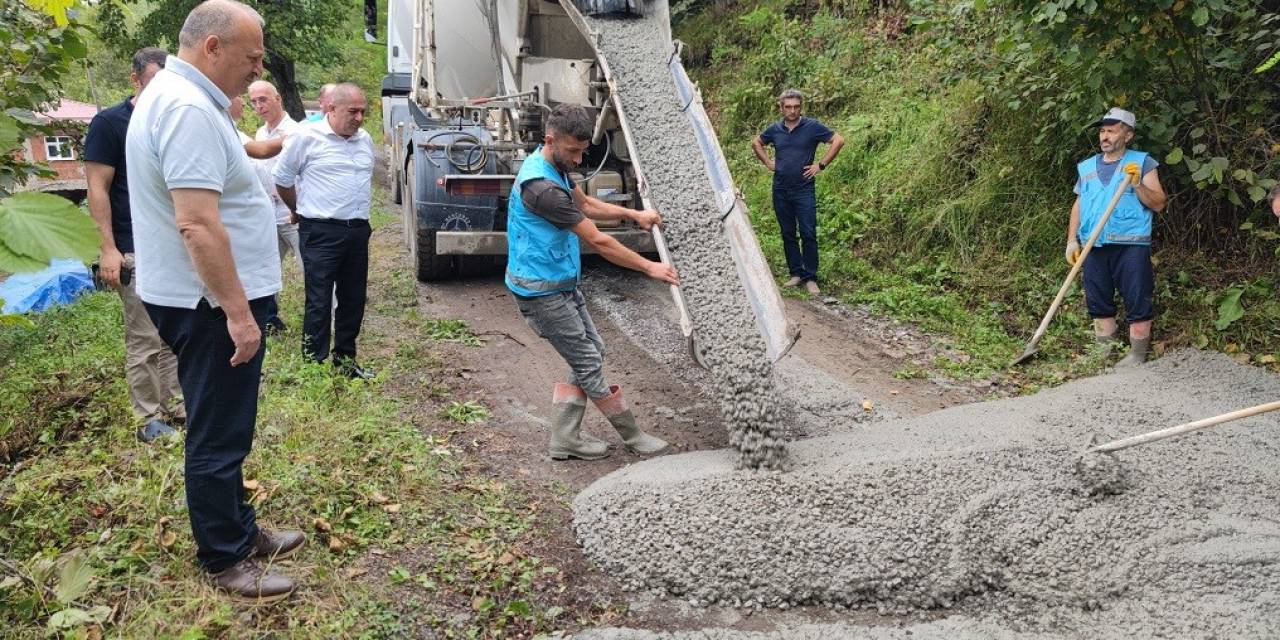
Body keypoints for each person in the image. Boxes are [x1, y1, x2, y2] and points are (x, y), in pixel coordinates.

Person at [126, 0, 304, 601]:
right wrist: (238, 314)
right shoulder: (185, 108)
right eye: (251, 56)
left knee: (228, 425)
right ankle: (225, 558)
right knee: (218, 432)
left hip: (197, 298)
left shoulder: (190, 100)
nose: (256, 68)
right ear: (212, 48)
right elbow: (197, 224)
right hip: (206, 305)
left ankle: (240, 529)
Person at [507, 103, 677, 461]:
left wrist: (635, 214)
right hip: (540, 291)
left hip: (560, 282)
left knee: (592, 352)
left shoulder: (558, 167)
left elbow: (586, 204)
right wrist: (650, 268)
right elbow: (597, 239)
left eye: (583, 150)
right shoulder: (541, 189)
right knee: (587, 360)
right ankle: (633, 437)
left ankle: (565, 439)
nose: (579, 157)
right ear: (550, 140)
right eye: (573, 150)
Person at [83, 47, 185, 443]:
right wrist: (108, 249)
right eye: (156, 79)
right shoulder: (110, 123)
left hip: (172, 243)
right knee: (144, 337)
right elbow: (98, 189)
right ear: (136, 79)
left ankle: (176, 405)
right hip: (132, 246)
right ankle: (148, 417)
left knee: (174, 334)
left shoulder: (170, 120)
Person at [273, 83, 376, 378]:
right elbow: (282, 178)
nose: (358, 118)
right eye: (352, 111)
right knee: (318, 299)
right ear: (330, 109)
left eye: (362, 112)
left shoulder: (365, 139)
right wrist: (297, 210)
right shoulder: (306, 137)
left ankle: (345, 362)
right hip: (320, 230)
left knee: (353, 298)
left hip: (357, 230)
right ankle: (314, 366)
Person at [1065, 107, 1168, 366]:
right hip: (1093, 243)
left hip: (1130, 243)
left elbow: (1158, 203)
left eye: (1112, 130)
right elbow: (1079, 204)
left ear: (1128, 135)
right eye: (1102, 130)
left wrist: (1137, 184)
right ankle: (1105, 354)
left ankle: (1136, 355)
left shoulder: (1142, 162)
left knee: (1137, 296)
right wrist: (1071, 240)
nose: (1105, 135)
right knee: (1098, 299)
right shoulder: (1086, 166)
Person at [752, 89, 845, 296]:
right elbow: (756, 142)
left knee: (808, 232)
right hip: (781, 188)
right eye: (788, 107)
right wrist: (768, 162)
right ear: (781, 107)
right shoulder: (774, 130)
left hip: (804, 189)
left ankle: (810, 277)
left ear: (801, 107)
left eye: (796, 106)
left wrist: (820, 165)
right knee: (787, 233)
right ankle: (795, 273)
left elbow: (838, 140)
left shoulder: (812, 127)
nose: (792, 110)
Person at [249, 80, 302, 333]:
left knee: (312, 271)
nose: (259, 106)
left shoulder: (296, 132)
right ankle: (270, 321)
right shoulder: (260, 135)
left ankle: (326, 321)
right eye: (254, 102)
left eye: (264, 99)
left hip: (294, 215)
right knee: (266, 273)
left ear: (278, 98)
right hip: (268, 217)